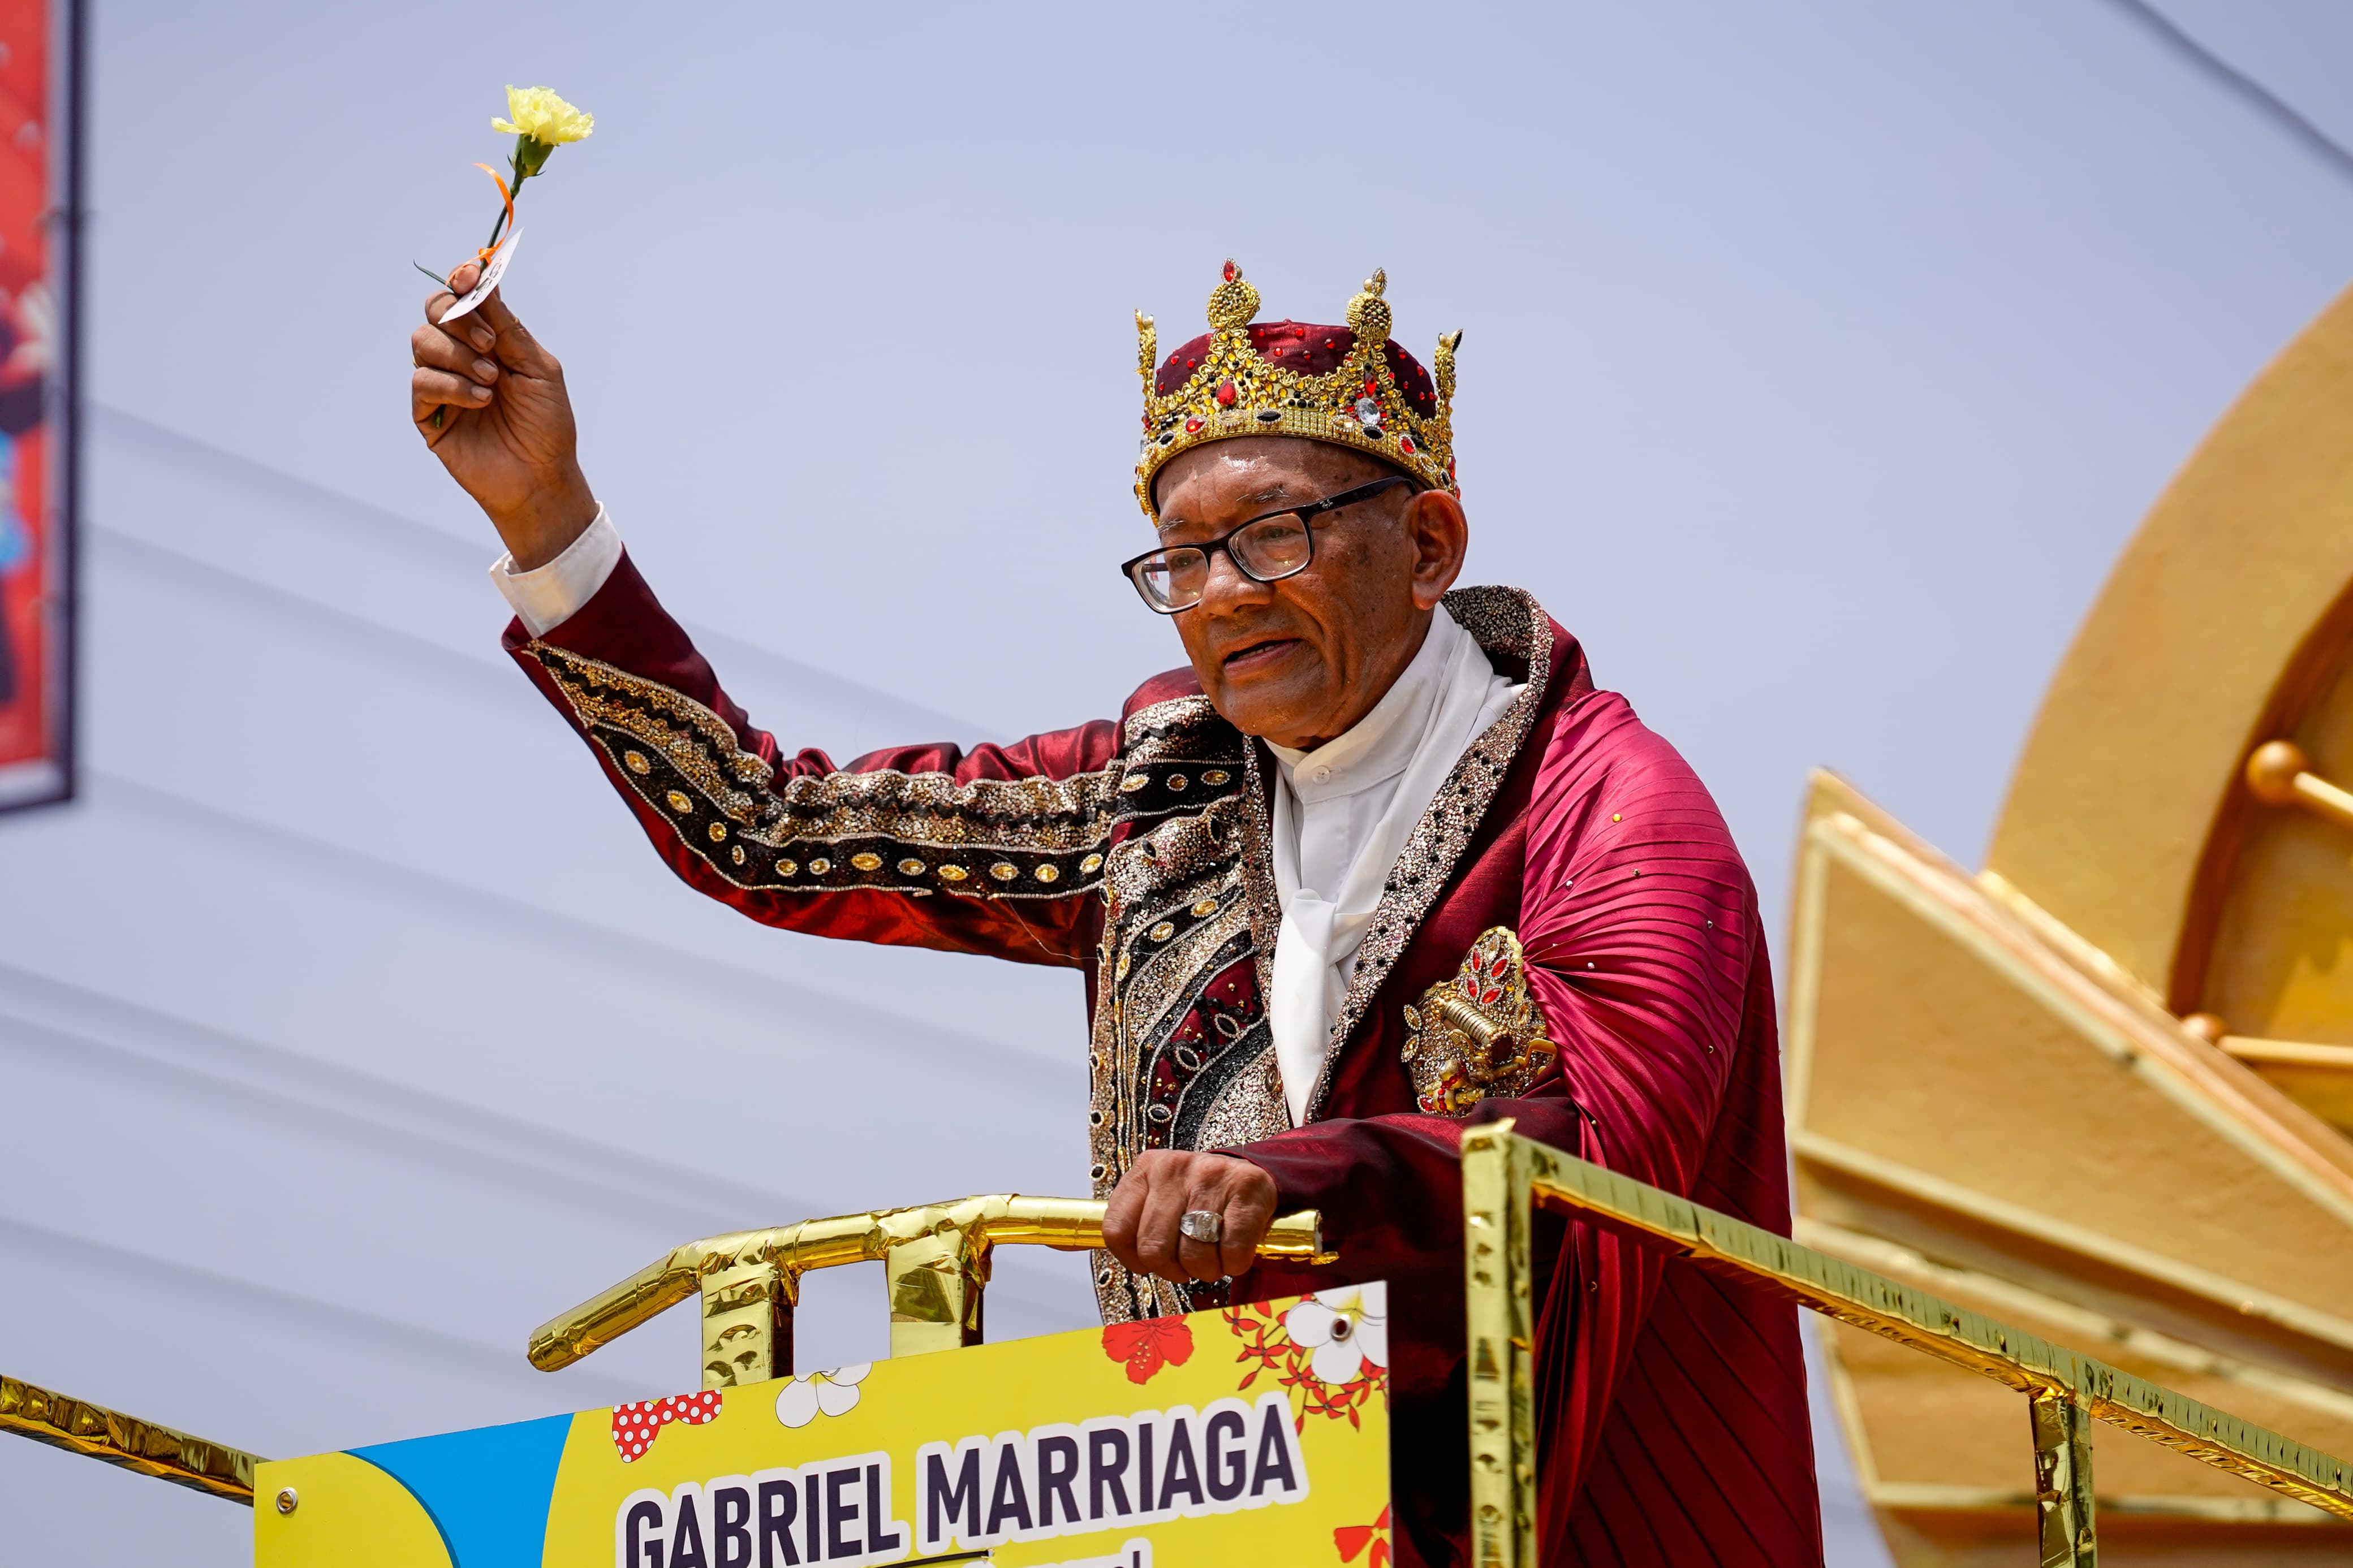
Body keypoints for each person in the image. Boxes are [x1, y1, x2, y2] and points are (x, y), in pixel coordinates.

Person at [410, 257, 1824, 1566]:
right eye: (1179, 562)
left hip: (1533, 1510)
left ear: (1431, 542)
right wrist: (548, 519)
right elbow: (771, 833)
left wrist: (1294, 1179)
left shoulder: (1611, 805)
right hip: (1206, 1501)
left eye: (1270, 539)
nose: (1215, 600)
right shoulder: (1158, 786)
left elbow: (1601, 1151)